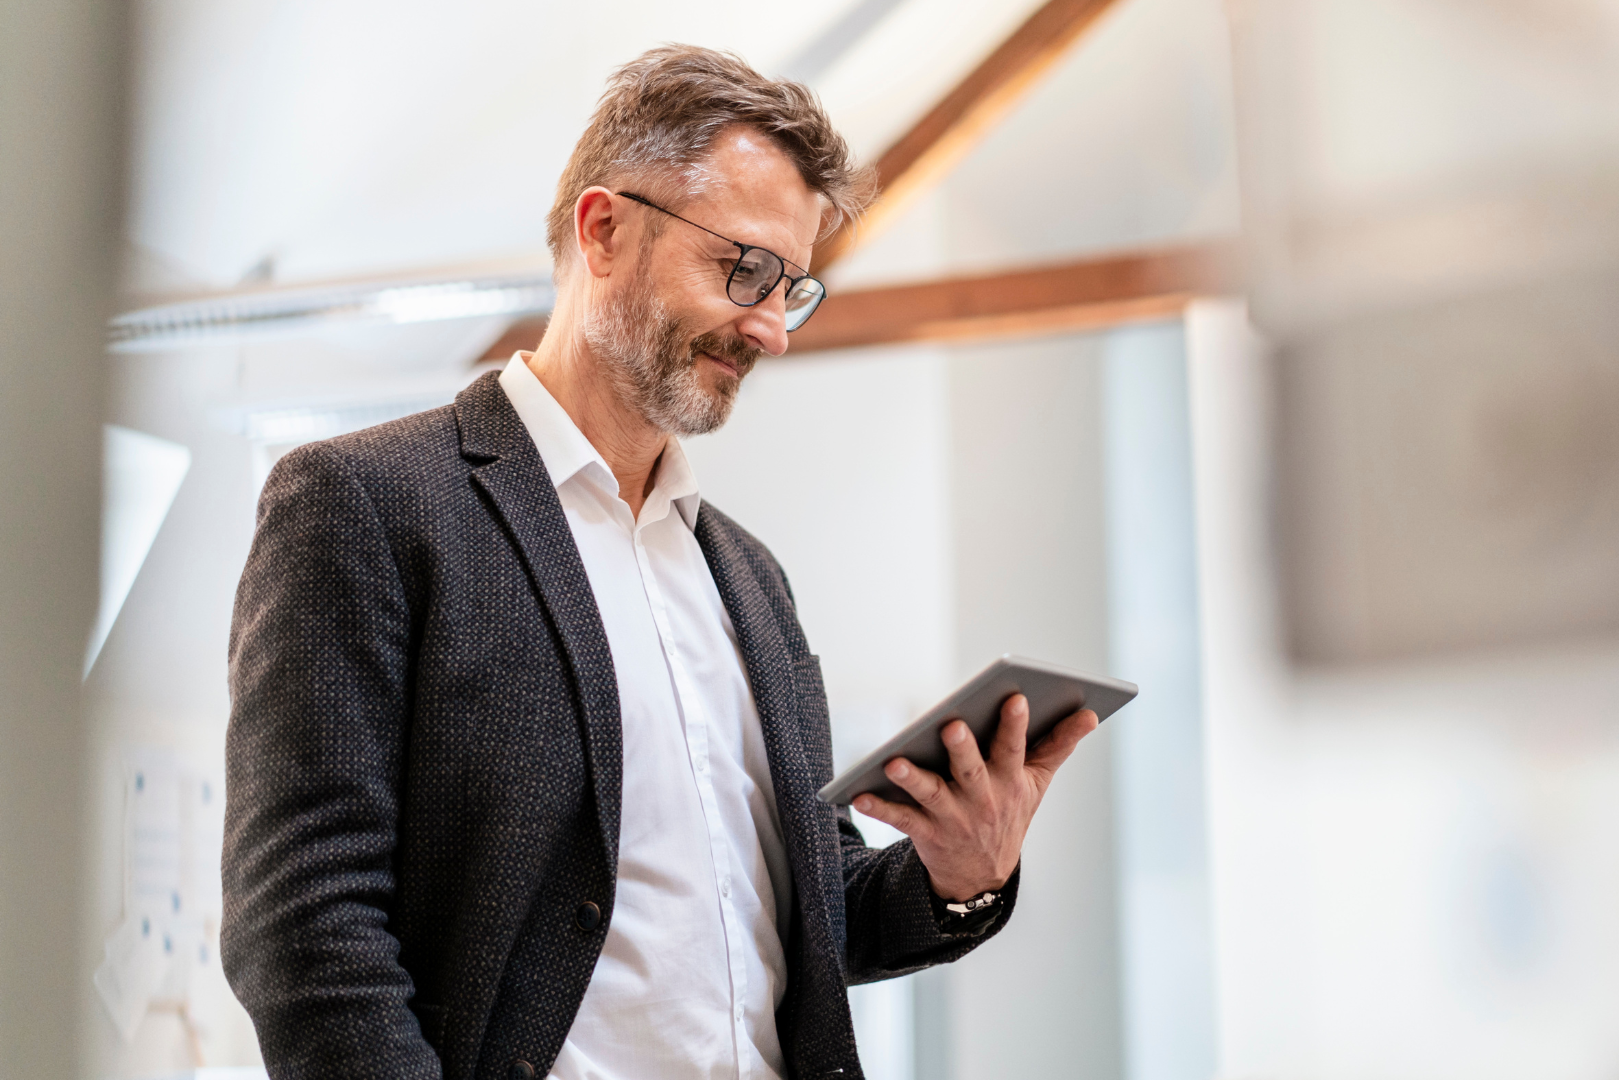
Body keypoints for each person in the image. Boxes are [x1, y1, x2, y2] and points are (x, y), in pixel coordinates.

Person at [220, 45, 1098, 1080]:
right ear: (604, 230)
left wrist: (960, 875)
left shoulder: (751, 579)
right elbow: (306, 926)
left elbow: (804, 912)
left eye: (793, 288)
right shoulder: (368, 504)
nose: (772, 330)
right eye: (744, 270)